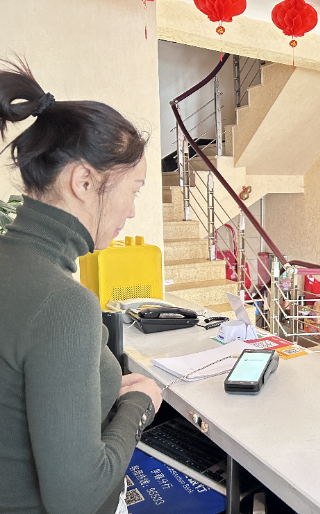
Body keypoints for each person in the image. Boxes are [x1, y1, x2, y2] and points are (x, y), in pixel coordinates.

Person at [0, 59, 163, 513]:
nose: (132, 210)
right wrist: (140, 405)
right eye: (134, 190)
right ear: (84, 181)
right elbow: (75, 498)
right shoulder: (63, 303)